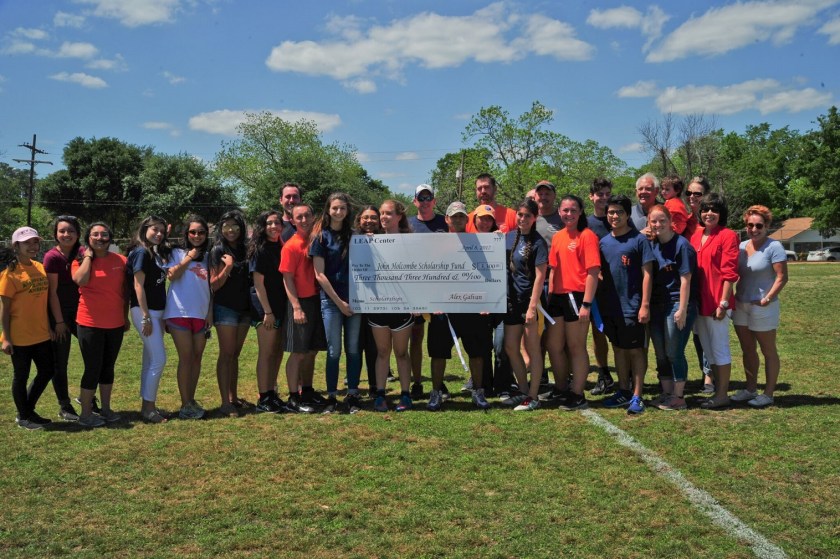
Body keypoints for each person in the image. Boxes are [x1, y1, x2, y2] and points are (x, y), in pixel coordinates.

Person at [426, 201, 492, 411]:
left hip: (472, 305)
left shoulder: (480, 242)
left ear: (467, 219)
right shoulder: (436, 243)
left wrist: (487, 301)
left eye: (461, 216)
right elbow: (429, 272)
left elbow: (489, 272)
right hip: (443, 308)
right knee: (438, 352)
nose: (457, 219)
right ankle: (436, 392)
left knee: (477, 352)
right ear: (447, 219)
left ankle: (478, 391)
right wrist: (433, 301)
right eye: (453, 216)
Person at [599, 195, 655, 415]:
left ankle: (637, 395)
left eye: (619, 212)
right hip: (610, 307)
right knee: (618, 349)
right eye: (611, 212)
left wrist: (645, 304)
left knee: (635, 351)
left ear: (627, 214)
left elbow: (648, 274)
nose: (615, 216)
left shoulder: (639, 240)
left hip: (632, 306)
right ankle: (623, 390)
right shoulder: (603, 242)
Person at [545, 195, 601, 411]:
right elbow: (553, 269)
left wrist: (586, 304)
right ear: (559, 212)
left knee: (576, 346)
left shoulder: (587, 236)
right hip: (557, 298)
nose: (569, 214)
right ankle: (561, 388)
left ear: (580, 212)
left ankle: (577, 394)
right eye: (565, 210)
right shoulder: (558, 236)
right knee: (554, 346)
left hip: (576, 296)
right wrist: (550, 295)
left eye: (573, 210)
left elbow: (593, 272)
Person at [72, 222, 128, 427]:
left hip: (115, 323)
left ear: (110, 238)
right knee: (92, 368)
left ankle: (105, 409)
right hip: (89, 323)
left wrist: (125, 317)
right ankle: (86, 415)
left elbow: (125, 292)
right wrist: (88, 257)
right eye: (95, 234)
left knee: (108, 367)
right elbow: (81, 280)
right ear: (88, 238)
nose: (100, 238)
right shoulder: (79, 261)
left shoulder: (121, 260)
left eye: (104, 234)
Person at [310, 193, 363, 414]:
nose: (338, 212)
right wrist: (340, 303)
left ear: (347, 210)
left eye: (342, 208)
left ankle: (353, 394)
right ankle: (331, 396)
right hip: (331, 301)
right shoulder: (320, 237)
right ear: (328, 210)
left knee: (353, 349)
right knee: (334, 351)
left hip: (357, 300)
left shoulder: (356, 236)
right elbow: (319, 275)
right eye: (335, 208)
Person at [732, 205, 788, 408]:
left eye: (759, 226)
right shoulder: (741, 246)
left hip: (763, 306)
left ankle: (768, 394)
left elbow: (782, 277)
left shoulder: (774, 247)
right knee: (747, 349)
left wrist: (767, 299)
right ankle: (750, 389)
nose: (754, 229)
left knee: (768, 350)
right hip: (741, 304)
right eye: (750, 225)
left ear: (767, 226)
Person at [1, 227, 55, 429]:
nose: (32, 246)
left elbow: (43, 302)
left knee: (47, 371)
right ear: (16, 246)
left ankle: (27, 410)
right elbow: (4, 309)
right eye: (27, 243)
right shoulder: (10, 273)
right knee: (21, 377)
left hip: (41, 334)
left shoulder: (40, 267)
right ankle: (23, 417)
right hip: (19, 336)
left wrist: (49, 326)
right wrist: (6, 338)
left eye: (35, 242)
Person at [690, 193, 740, 409]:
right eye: (705, 209)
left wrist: (723, 303)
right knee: (708, 351)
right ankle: (718, 392)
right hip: (699, 302)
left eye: (714, 210)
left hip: (717, 303)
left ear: (721, 214)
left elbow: (730, 273)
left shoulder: (727, 235)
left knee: (719, 349)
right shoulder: (695, 235)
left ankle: (722, 395)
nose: (709, 213)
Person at [648, 205, 697, 411]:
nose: (658, 224)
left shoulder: (682, 245)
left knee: (674, 351)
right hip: (656, 304)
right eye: (653, 221)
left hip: (677, 303)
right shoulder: (652, 244)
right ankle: (667, 394)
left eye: (662, 220)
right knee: (661, 352)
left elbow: (686, 279)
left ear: (670, 222)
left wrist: (682, 309)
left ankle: (679, 397)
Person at [501, 199, 548, 411]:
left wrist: (532, 307)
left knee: (533, 349)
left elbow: (540, 276)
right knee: (510, 347)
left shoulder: (538, 242)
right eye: (520, 214)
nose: (522, 219)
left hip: (529, 303)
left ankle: (533, 396)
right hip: (511, 301)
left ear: (534, 218)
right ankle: (522, 390)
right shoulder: (510, 237)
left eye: (527, 215)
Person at [368, 199, 415, 412]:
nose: (384, 217)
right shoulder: (370, 241)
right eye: (382, 213)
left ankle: (405, 395)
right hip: (378, 307)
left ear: (399, 216)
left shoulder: (410, 242)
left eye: (388, 213)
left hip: (403, 308)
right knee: (382, 352)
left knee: (401, 353)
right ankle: (380, 395)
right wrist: (365, 244)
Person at [164, 215, 212, 420]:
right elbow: (172, 275)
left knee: (196, 358)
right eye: (193, 232)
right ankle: (185, 405)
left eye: (201, 232)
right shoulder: (177, 253)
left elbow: (211, 286)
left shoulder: (209, 256)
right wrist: (189, 257)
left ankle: (191, 400)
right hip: (179, 312)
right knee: (186, 357)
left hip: (201, 314)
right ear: (186, 233)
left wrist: (210, 312)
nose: (197, 236)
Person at [281, 203, 327, 413]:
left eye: (307, 215)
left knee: (311, 351)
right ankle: (293, 397)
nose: (304, 220)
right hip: (300, 303)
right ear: (292, 220)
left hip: (317, 301)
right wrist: (296, 307)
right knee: (298, 353)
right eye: (299, 217)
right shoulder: (291, 246)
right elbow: (287, 279)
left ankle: (307, 390)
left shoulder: (317, 241)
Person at [126, 215, 172, 424]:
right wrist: (146, 316)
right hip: (146, 312)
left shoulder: (153, 252)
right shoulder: (141, 252)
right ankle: (149, 409)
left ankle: (147, 405)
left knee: (150, 360)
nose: (159, 234)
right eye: (155, 229)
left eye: (162, 230)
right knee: (159, 360)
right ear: (145, 229)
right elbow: (138, 286)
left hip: (156, 312)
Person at [209, 210, 252, 417]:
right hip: (225, 308)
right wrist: (227, 268)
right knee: (226, 354)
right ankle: (225, 402)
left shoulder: (246, 249)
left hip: (245, 309)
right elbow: (213, 285)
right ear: (221, 228)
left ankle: (233, 397)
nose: (231, 230)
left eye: (235, 225)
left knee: (235, 354)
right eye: (226, 226)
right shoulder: (218, 250)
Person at [406, 184, 447, 399]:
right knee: (416, 337)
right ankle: (417, 382)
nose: (424, 202)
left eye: (428, 197)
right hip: (416, 289)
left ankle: (439, 382)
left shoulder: (445, 222)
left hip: (441, 288)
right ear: (415, 201)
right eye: (420, 198)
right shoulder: (407, 224)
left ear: (434, 200)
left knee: (439, 338)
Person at [43, 215, 84, 420]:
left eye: (71, 231)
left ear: (78, 234)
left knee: (93, 355)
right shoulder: (52, 257)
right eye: (62, 231)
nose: (66, 234)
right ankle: (64, 405)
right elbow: (52, 293)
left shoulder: (83, 254)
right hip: (58, 313)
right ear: (55, 234)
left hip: (82, 313)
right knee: (61, 361)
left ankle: (87, 397)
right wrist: (59, 322)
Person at [248, 211, 288, 414]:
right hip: (265, 309)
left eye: (277, 223)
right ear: (262, 227)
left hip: (280, 306)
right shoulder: (259, 249)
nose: (274, 226)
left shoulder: (281, 247)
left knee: (277, 351)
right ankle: (263, 397)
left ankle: (272, 392)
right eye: (269, 223)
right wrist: (268, 312)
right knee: (266, 352)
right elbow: (258, 284)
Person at [586, 178, 615, 395]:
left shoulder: (619, 219)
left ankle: (628, 374)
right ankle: (604, 373)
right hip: (595, 287)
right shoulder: (585, 223)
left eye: (607, 194)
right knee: (598, 333)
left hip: (618, 287)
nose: (604, 198)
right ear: (591, 197)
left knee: (620, 334)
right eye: (599, 194)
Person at [685, 176, 714, 391]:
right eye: (689, 193)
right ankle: (704, 373)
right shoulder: (686, 221)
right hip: (689, 286)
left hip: (708, 287)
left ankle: (709, 377)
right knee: (696, 334)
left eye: (697, 193)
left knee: (707, 333)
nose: (692, 197)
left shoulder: (711, 222)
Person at [354, 205, 384, 394]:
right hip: (356, 301)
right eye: (365, 217)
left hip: (379, 302)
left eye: (373, 217)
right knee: (356, 346)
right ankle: (353, 386)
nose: (369, 221)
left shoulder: (387, 240)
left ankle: (375, 385)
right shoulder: (351, 239)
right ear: (359, 220)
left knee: (374, 347)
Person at [534, 180, 562, 246]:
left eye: (547, 194)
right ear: (535, 196)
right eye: (540, 194)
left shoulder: (564, 217)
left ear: (554, 196)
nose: (543, 197)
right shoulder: (529, 218)